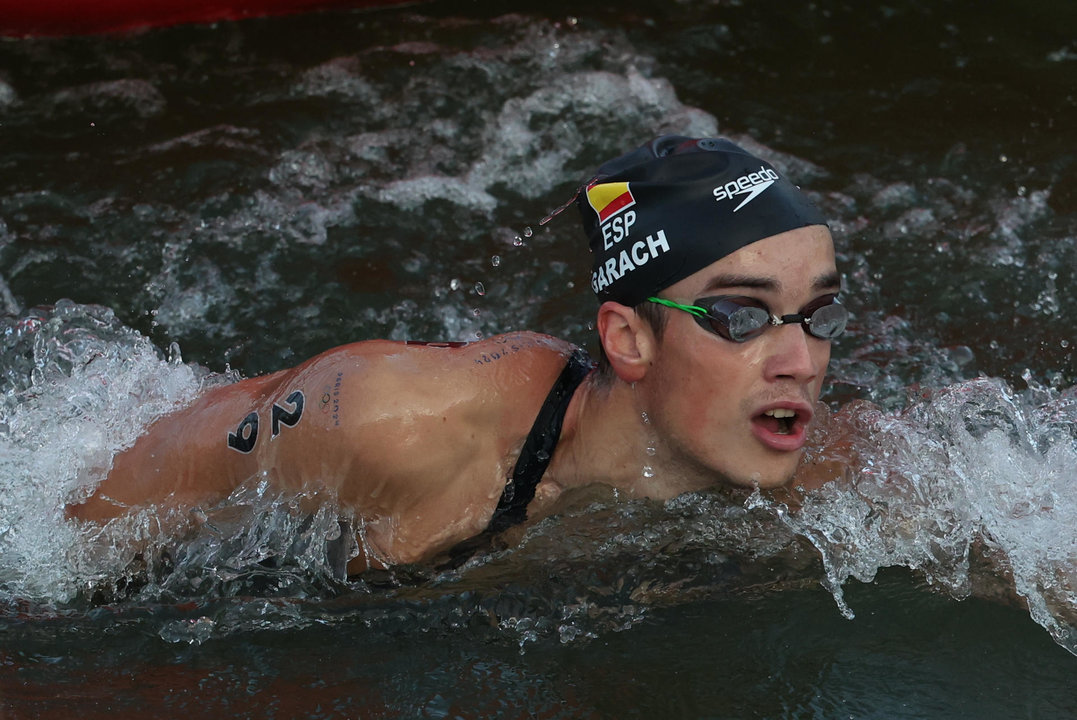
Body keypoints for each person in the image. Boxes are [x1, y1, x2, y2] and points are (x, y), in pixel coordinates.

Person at [67, 136, 847, 576]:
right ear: (628, 339)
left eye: (814, 315)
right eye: (741, 317)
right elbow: (109, 508)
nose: (799, 361)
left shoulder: (782, 459)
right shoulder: (392, 420)